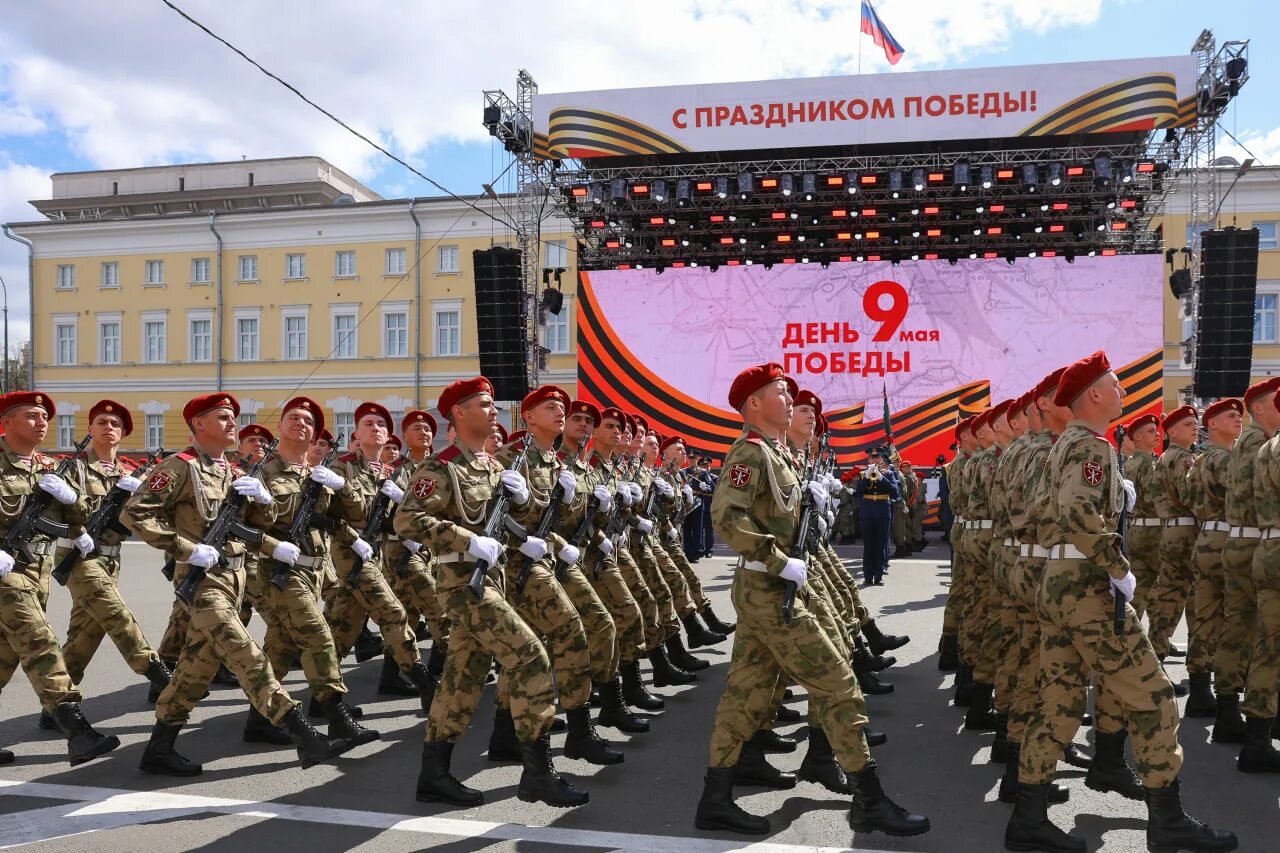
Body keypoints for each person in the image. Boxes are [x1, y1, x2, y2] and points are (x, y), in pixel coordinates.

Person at [1006, 351, 1236, 853]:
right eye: (1114, 383)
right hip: (1088, 586)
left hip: (1060, 582)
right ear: (1093, 394)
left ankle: (1027, 816)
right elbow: (1076, 512)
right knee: (1154, 696)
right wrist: (1119, 569)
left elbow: (1053, 510)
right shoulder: (1090, 447)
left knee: (1061, 702)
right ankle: (1167, 817)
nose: (1123, 391)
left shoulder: (1070, 444)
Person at [695, 362, 928, 838]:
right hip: (769, 588)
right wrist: (779, 562)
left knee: (746, 693)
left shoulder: (778, 455)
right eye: (780, 392)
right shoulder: (751, 454)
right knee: (839, 683)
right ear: (754, 405)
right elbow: (726, 518)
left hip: (776, 588)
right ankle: (869, 800)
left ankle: (714, 799)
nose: (789, 398)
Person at [122, 392, 349, 776]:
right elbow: (135, 514)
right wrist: (186, 549)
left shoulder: (234, 473)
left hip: (237, 578)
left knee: (196, 668)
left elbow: (253, 528)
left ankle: (158, 748)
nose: (233, 423)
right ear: (199, 424)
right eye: (224, 417)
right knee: (246, 655)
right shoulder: (180, 467)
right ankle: (302, 734)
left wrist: (263, 503)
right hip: (203, 582)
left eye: (233, 417)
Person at [394, 376, 588, 808]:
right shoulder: (442, 468)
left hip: (494, 580)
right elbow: (405, 520)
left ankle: (434, 774)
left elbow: (515, 524)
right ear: (459, 414)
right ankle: (538, 772)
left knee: (462, 679)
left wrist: (530, 514)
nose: (494, 410)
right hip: (463, 584)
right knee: (531, 655)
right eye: (484, 404)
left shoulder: (495, 467)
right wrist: (465, 540)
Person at [243, 396, 377, 748]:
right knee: (319, 636)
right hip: (280, 571)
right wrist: (262, 502)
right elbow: (240, 526)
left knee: (281, 648)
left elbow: (352, 516)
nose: (300, 423)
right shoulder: (264, 473)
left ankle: (258, 719)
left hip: (315, 570)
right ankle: (336, 718)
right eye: (293, 417)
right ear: (280, 426)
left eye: (307, 421)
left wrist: (342, 487)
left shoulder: (314, 475)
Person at [0, 391, 122, 767]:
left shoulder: (51, 466)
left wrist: (69, 496)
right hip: (6, 575)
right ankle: (77, 731)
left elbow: (82, 512)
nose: (42, 422)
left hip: (38, 575)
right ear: (6, 423)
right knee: (42, 644)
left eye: (44, 416)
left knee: (4, 659)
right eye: (31, 415)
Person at [51, 400, 171, 714]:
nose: (108, 428)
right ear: (89, 429)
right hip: (77, 557)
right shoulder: (72, 466)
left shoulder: (128, 474)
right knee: (116, 614)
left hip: (110, 558)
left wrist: (137, 495)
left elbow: (142, 519)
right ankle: (157, 672)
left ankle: (56, 704)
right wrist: (77, 529)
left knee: (86, 632)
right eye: (101, 422)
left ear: (123, 434)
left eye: (115, 424)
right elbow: (52, 511)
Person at [323, 402, 435, 712]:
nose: (375, 428)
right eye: (368, 423)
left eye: (381, 425)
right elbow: (322, 515)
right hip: (352, 556)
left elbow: (393, 520)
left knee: (343, 630)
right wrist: (352, 539)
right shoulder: (341, 467)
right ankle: (426, 684)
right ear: (356, 432)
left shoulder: (388, 472)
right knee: (394, 613)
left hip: (378, 555)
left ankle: (323, 699)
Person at [1224, 379, 1280, 766]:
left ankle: (1258, 730)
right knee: (1260, 639)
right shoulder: (1259, 443)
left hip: (1263, 544)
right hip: (1261, 543)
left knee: (1266, 643)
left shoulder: (1265, 446)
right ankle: (1255, 730)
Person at [1186, 399, 1243, 722]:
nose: (1238, 420)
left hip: (1207, 535)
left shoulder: (1202, 460)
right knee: (1234, 621)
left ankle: (1199, 690)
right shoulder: (1223, 459)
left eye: (1239, 416)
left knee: (1206, 617)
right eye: (1231, 417)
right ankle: (1227, 699)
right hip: (1226, 538)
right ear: (1214, 425)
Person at [1148, 405, 1200, 694]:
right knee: (1185, 600)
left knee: (1169, 597)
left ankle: (1154, 661)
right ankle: (1185, 667)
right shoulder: (1182, 458)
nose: (1195, 427)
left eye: (1195, 423)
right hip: (1186, 531)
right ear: (1172, 432)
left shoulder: (1169, 456)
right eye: (1188, 424)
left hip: (1171, 529)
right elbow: (1191, 496)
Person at [1125, 414, 1165, 620]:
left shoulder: (1131, 462)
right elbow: (1153, 499)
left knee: (1139, 591)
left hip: (1137, 529)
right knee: (1168, 589)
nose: (1157, 434)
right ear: (1138, 437)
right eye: (1151, 431)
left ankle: (1129, 638)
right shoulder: (1147, 463)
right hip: (1153, 531)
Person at [855, 462, 898, 586]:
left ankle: (878, 576)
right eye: (873, 458)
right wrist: (866, 478)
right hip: (867, 513)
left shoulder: (889, 475)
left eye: (878, 458)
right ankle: (868, 576)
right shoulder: (864, 475)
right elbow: (858, 493)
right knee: (868, 545)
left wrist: (882, 478)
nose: (875, 461)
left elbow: (895, 492)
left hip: (883, 513)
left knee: (881, 544)